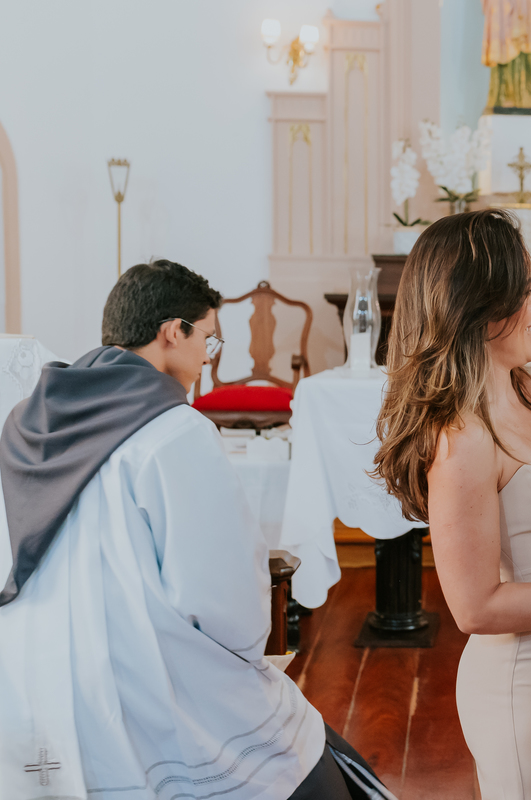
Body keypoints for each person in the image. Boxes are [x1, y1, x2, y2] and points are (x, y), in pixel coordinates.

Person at [0, 260, 391, 799]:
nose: (210, 358)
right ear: (171, 332)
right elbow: (225, 604)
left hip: (27, 685)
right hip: (138, 683)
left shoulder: (28, 418)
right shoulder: (173, 430)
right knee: (304, 755)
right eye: (208, 339)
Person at [372, 210, 531, 800]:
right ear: (481, 306)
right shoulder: (462, 439)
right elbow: (476, 606)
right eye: (528, 289)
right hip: (523, 681)